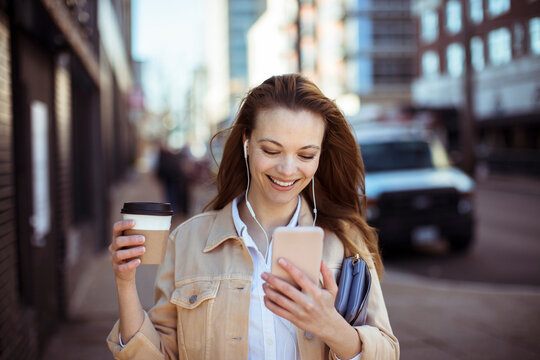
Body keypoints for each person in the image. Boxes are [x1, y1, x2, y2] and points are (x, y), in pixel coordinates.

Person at [107, 74, 399, 359]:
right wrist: (125, 283)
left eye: (306, 155)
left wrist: (333, 328)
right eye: (271, 150)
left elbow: (387, 351)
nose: (287, 169)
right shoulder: (188, 240)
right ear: (247, 141)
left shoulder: (346, 242)